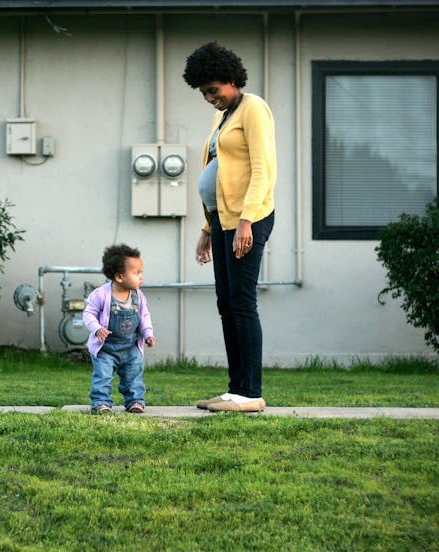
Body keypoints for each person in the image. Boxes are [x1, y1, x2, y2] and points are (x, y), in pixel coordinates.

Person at [182, 41, 276, 413]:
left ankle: (250, 393)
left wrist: (246, 221)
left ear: (231, 79)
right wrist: (208, 226)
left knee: (241, 303)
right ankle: (235, 389)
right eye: (204, 92)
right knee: (226, 303)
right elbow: (219, 173)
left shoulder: (253, 108)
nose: (209, 98)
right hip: (223, 220)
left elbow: (262, 170)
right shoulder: (223, 116)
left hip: (247, 220)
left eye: (213, 90)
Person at [83, 244, 156, 414]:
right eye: (137, 273)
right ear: (119, 277)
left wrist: (148, 334)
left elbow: (144, 317)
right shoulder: (101, 294)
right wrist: (97, 328)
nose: (141, 277)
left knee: (134, 375)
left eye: (141, 272)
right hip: (105, 348)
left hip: (130, 347)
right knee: (102, 376)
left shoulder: (138, 296)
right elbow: (88, 314)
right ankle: (101, 402)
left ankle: (135, 401)